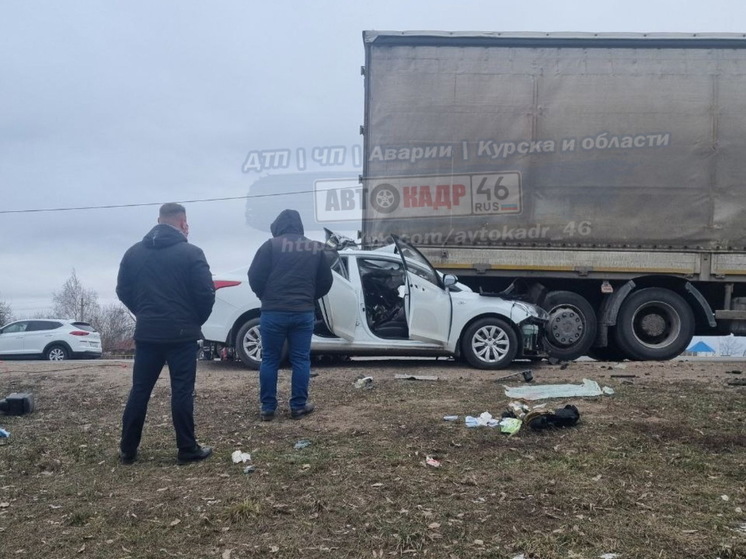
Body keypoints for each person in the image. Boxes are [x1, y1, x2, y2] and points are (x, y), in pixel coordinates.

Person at [116, 203, 216, 465]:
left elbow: (122, 290)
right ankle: (187, 449)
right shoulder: (192, 253)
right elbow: (206, 293)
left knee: (140, 390)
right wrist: (194, 320)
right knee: (182, 391)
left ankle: (128, 449)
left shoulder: (133, 253)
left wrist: (143, 312)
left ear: (158, 220)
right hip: (182, 335)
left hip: (148, 333)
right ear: (183, 223)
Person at [248, 209, 333, 421]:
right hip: (303, 312)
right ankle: (298, 405)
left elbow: (254, 276)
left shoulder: (270, 246)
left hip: (273, 311)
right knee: (301, 359)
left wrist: (265, 296)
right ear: (299, 225)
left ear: (278, 226)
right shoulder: (314, 248)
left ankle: (267, 407)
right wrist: (310, 297)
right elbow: (326, 281)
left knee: (269, 359)